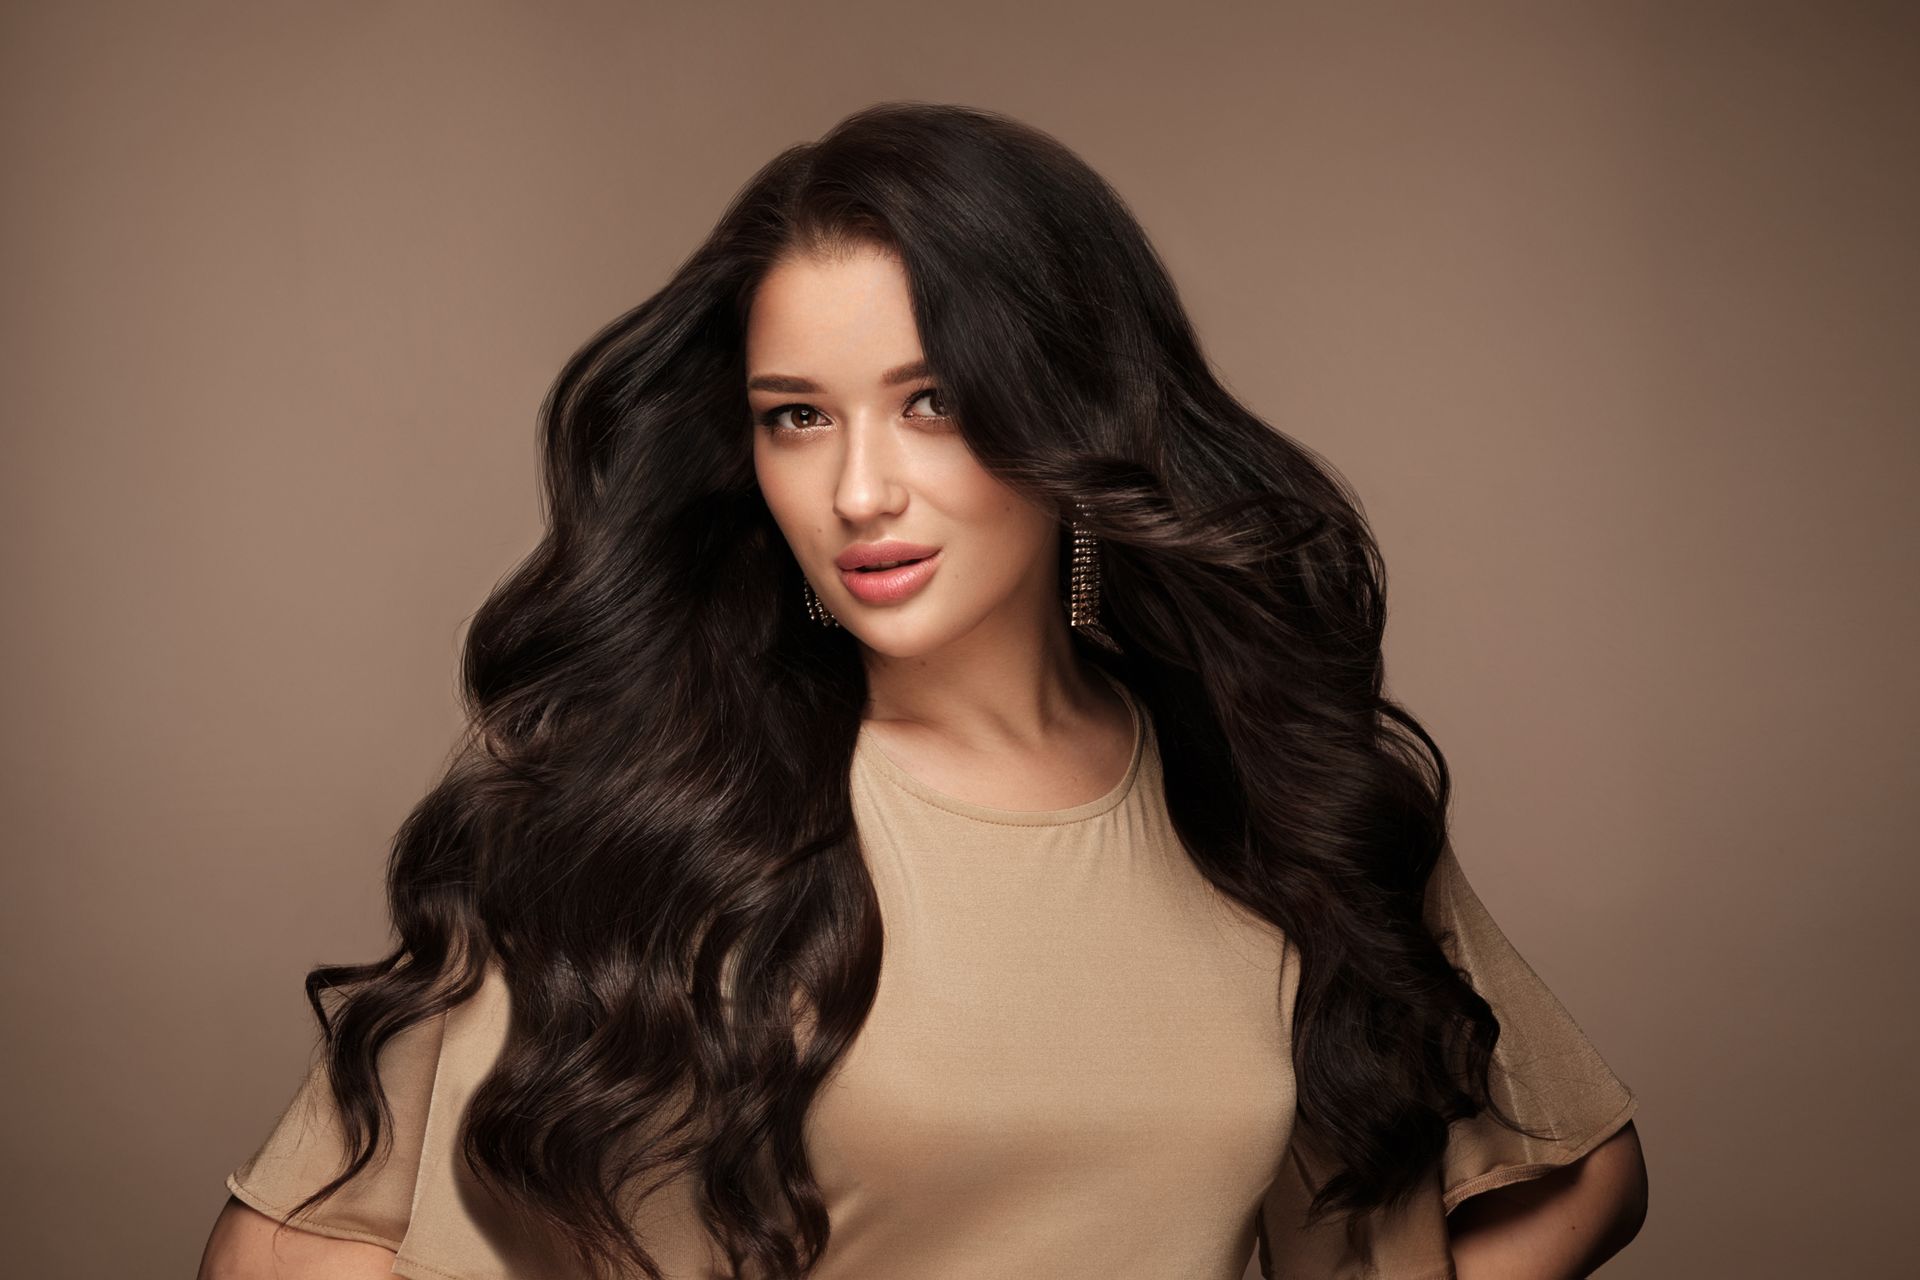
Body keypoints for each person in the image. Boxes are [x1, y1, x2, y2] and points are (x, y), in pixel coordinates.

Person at [198, 101, 1647, 1280]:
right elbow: (284, 1252)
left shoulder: (1266, 791)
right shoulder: (646, 811)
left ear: (1070, 409)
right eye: (796, 420)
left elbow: (1575, 1168)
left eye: (934, 402)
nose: (859, 491)